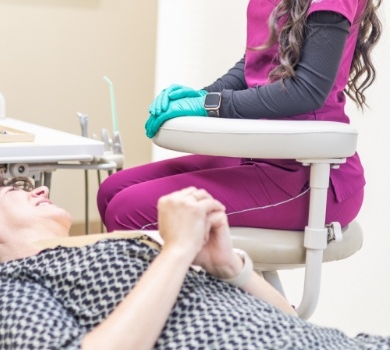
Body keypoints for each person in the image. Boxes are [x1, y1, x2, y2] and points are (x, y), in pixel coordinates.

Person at [0, 167, 390, 349]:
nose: (42, 188)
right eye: (17, 189)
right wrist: (176, 251)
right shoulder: (2, 287)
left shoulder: (124, 247)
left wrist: (231, 269)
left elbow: (292, 322)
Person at [97, 0, 382, 232]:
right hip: (259, 153)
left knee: (128, 209)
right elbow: (255, 63)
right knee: (111, 190)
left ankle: (175, 301)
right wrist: (201, 94)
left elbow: (306, 91)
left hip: (310, 173)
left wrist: (210, 104)